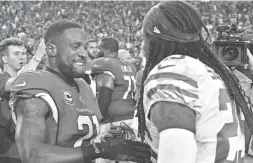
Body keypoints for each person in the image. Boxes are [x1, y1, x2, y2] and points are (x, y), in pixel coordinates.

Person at [9, 19, 151, 163]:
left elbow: (95, 133)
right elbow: (32, 155)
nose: (83, 53)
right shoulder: (37, 85)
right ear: (51, 49)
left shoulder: (83, 85)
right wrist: (101, 149)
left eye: (84, 47)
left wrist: (122, 136)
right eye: (75, 46)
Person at [135, 1, 253, 163]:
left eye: (144, 38)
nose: (142, 46)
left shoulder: (174, 71)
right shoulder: (213, 72)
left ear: (153, 38)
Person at [91, 38, 137, 125]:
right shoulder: (132, 66)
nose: (97, 51)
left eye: (99, 48)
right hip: (131, 114)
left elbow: (92, 65)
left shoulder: (107, 64)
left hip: (115, 119)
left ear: (107, 51)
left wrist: (98, 119)